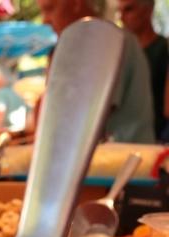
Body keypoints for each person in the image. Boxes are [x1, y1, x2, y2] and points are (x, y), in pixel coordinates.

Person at [38, 0, 155, 143]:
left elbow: (80, 121)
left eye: (50, 9)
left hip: (126, 159)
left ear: (76, 3)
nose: (45, 20)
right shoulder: (84, 46)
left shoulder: (108, 41)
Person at [118, 0, 168, 140]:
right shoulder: (121, 55)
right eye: (119, 11)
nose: (122, 17)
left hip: (154, 138)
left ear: (148, 10)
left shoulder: (163, 50)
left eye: (129, 10)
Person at [0, 65, 28, 133]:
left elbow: (0, 109)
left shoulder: (0, 93)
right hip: (16, 135)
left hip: (2, 138)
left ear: (0, 79)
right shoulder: (13, 93)